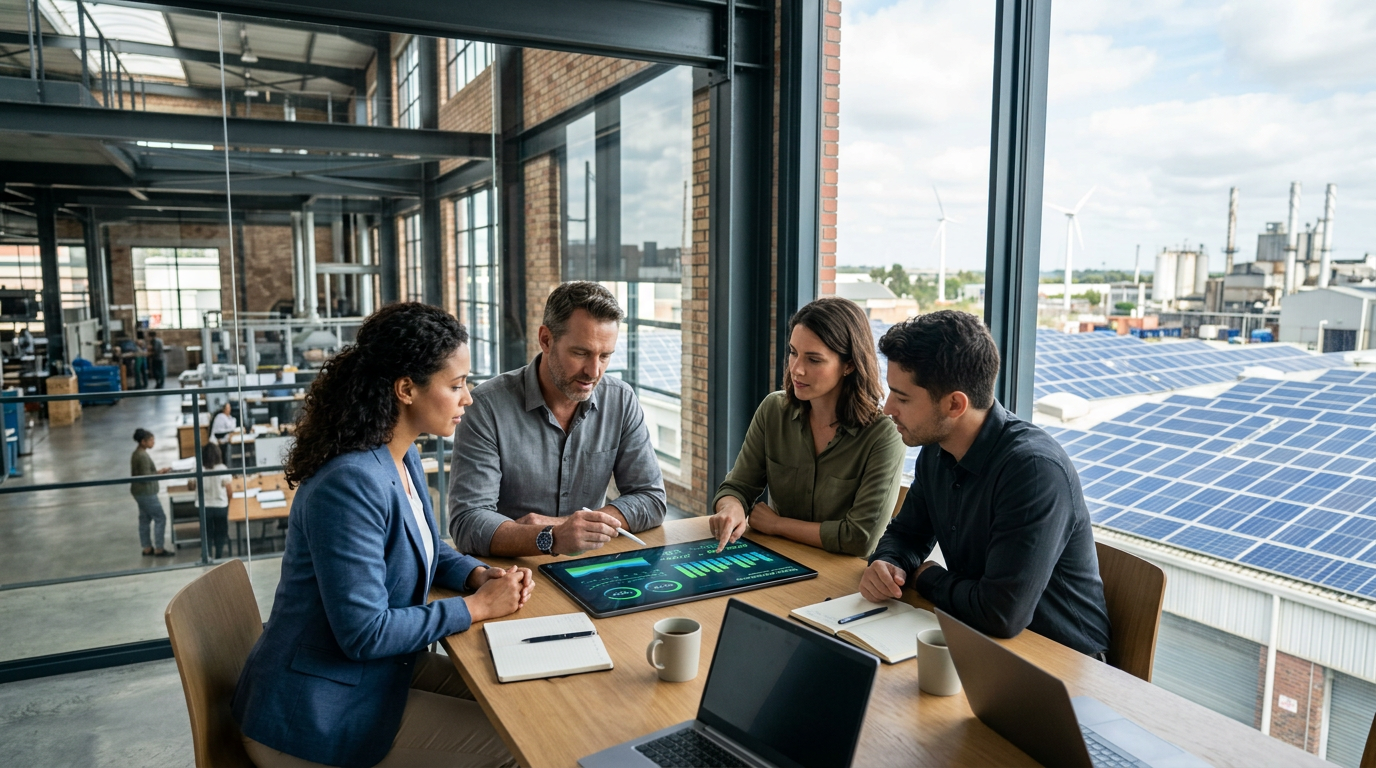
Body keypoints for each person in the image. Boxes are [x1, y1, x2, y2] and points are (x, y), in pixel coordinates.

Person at [233, 302, 531, 768]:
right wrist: (476, 608)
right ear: (406, 389)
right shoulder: (348, 484)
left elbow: (426, 550)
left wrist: (479, 575)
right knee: (518, 746)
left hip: (368, 676)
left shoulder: (401, 455)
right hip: (314, 712)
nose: (468, 398)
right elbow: (365, 633)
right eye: (455, 386)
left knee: (511, 703)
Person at [858, 311, 1111, 657]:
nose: (887, 409)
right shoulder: (936, 450)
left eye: (902, 398)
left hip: (1064, 666)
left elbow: (1001, 613)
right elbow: (907, 535)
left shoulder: (1034, 472)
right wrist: (889, 564)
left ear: (955, 404)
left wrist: (926, 577)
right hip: (981, 643)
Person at [448, 281, 667, 557]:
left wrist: (564, 528)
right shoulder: (486, 407)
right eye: (581, 353)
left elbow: (651, 498)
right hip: (510, 573)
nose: (594, 371)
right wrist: (550, 538)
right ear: (546, 340)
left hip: (588, 564)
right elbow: (468, 523)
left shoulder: (621, 400)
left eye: (605, 356)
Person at [709, 297, 905, 557]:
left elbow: (860, 538)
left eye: (814, 360)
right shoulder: (773, 410)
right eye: (793, 352)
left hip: (843, 579)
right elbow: (738, 487)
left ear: (849, 365)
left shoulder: (884, 435)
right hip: (778, 560)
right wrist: (731, 507)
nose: (796, 369)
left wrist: (777, 524)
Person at [131, 428, 173, 557]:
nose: (153, 443)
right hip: (146, 493)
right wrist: (159, 473)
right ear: (143, 442)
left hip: (139, 492)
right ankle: (159, 548)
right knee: (160, 517)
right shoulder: (142, 456)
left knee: (144, 519)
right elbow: (145, 476)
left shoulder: (138, 453)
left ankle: (147, 547)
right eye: (151, 440)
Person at [188, 443, 232, 559]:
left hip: (204, 506)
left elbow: (191, 486)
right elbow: (229, 490)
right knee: (220, 531)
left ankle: (207, 555)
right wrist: (229, 504)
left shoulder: (197, 468)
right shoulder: (222, 468)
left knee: (206, 532)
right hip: (220, 505)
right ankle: (219, 555)